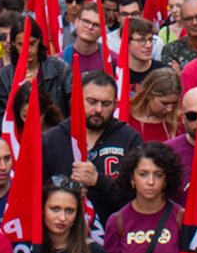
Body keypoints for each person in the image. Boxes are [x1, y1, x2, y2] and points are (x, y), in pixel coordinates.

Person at [42, 74, 143, 223]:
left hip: (114, 233)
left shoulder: (129, 139)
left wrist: (98, 181)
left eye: (106, 104)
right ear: (76, 99)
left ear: (116, 104)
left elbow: (139, 196)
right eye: (92, 102)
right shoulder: (52, 139)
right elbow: (35, 191)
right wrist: (66, 189)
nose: (98, 109)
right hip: (63, 236)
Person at [101, 142, 185, 253]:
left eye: (158, 175)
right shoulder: (117, 222)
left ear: (166, 179)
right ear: (132, 178)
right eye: (143, 174)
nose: (151, 182)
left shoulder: (180, 218)